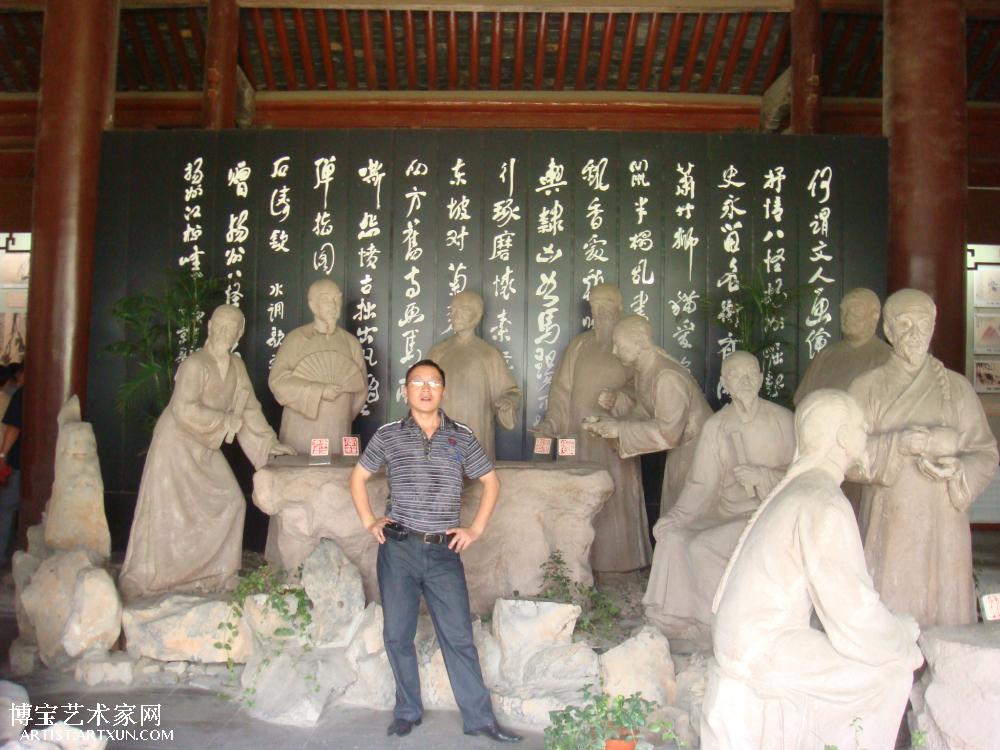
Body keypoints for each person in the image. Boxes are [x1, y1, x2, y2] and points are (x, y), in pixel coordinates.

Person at [702, 390, 923, 750]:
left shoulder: (801, 489)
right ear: (842, 436)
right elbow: (852, 613)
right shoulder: (824, 502)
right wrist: (899, 637)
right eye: (861, 427)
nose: (866, 433)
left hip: (742, 636)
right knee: (889, 671)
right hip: (762, 646)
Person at [348, 359, 521, 743]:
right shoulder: (389, 435)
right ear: (406, 390)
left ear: (443, 390)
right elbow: (358, 477)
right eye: (417, 382)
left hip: (443, 553)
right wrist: (369, 521)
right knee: (398, 634)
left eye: (433, 383)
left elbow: (491, 483)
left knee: (458, 635)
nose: (425, 389)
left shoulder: (461, 435)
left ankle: (480, 719)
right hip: (398, 549)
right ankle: (407, 711)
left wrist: (475, 528)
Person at [119, 305, 295, 599]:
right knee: (168, 512)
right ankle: (158, 576)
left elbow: (249, 410)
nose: (225, 332)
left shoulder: (236, 367)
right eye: (220, 326)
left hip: (204, 446)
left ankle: (219, 573)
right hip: (175, 444)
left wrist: (270, 445)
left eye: (232, 327)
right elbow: (183, 409)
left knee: (232, 502)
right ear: (210, 327)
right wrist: (225, 421)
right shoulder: (195, 364)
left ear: (239, 334)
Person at [848, 288, 998, 627]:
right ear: (888, 330)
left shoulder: (957, 389)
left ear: (933, 326)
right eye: (905, 324)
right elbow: (844, 454)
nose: (915, 333)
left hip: (944, 520)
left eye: (923, 323)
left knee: (943, 608)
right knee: (890, 606)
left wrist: (959, 469)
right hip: (891, 519)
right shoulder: (866, 387)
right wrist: (895, 445)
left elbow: (985, 453)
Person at [642, 352, 794, 645]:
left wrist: (763, 476)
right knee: (672, 538)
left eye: (750, 374)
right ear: (725, 383)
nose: (745, 381)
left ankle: (713, 622)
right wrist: (675, 518)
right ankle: (675, 617)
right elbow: (701, 485)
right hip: (725, 513)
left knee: (702, 547)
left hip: (766, 514)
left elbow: (801, 476)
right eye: (736, 375)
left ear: (761, 379)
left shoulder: (784, 421)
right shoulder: (717, 426)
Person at [534, 284, 649, 572]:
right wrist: (553, 422)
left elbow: (644, 389)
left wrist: (619, 398)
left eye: (607, 303)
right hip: (575, 436)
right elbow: (562, 391)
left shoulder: (629, 345)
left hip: (614, 438)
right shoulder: (579, 345)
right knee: (574, 493)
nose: (601, 310)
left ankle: (619, 561)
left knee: (615, 492)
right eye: (595, 304)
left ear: (619, 306)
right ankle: (572, 563)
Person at [583, 314, 712, 518]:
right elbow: (643, 410)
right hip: (683, 454)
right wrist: (612, 421)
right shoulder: (645, 371)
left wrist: (620, 430)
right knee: (676, 519)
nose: (614, 352)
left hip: (701, 456)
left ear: (639, 343)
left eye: (619, 346)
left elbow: (669, 433)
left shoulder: (667, 377)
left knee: (688, 519)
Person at [268, 278, 368, 455]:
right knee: (299, 470)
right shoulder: (296, 339)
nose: (333, 304)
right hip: (300, 431)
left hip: (338, 430)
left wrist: (341, 414)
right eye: (326, 299)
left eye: (337, 299)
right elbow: (278, 381)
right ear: (313, 305)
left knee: (337, 471)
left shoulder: (351, 343)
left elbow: (361, 390)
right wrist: (318, 390)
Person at [428, 291, 520, 461]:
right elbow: (421, 389)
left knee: (476, 473)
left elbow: (510, 391)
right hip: (441, 433)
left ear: (477, 315)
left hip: (477, 432)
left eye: (462, 310)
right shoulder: (438, 352)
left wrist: (507, 403)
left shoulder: (489, 355)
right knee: (442, 473)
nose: (455, 315)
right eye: (453, 310)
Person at [793, 287, 891, 405]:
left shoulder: (887, 357)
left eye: (856, 311)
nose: (847, 317)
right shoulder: (826, 355)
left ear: (875, 315)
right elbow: (801, 400)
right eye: (844, 311)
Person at [0, 367, 23, 566]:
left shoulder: (20, 395)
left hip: (15, 462)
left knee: (6, 508)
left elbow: (13, 428)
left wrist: (3, 455)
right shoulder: (12, 397)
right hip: (26, 463)